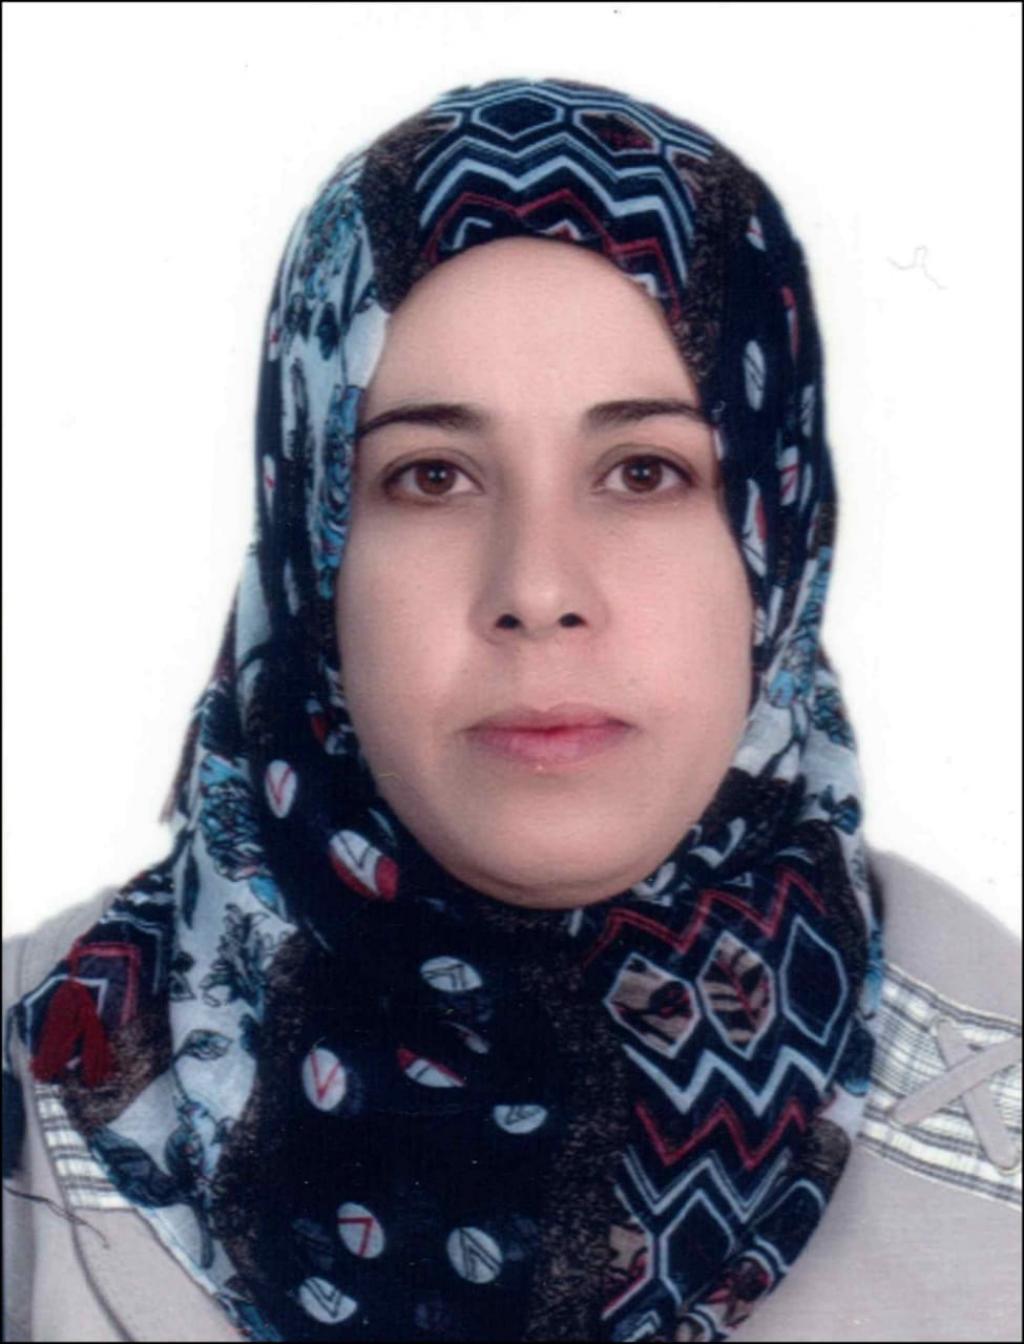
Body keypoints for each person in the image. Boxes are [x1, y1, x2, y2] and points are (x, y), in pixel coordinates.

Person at [2, 76, 1019, 1344]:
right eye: (430, 476)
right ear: (312, 543)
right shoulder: (33, 1097)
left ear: (776, 536)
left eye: (643, 471)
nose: (537, 589)